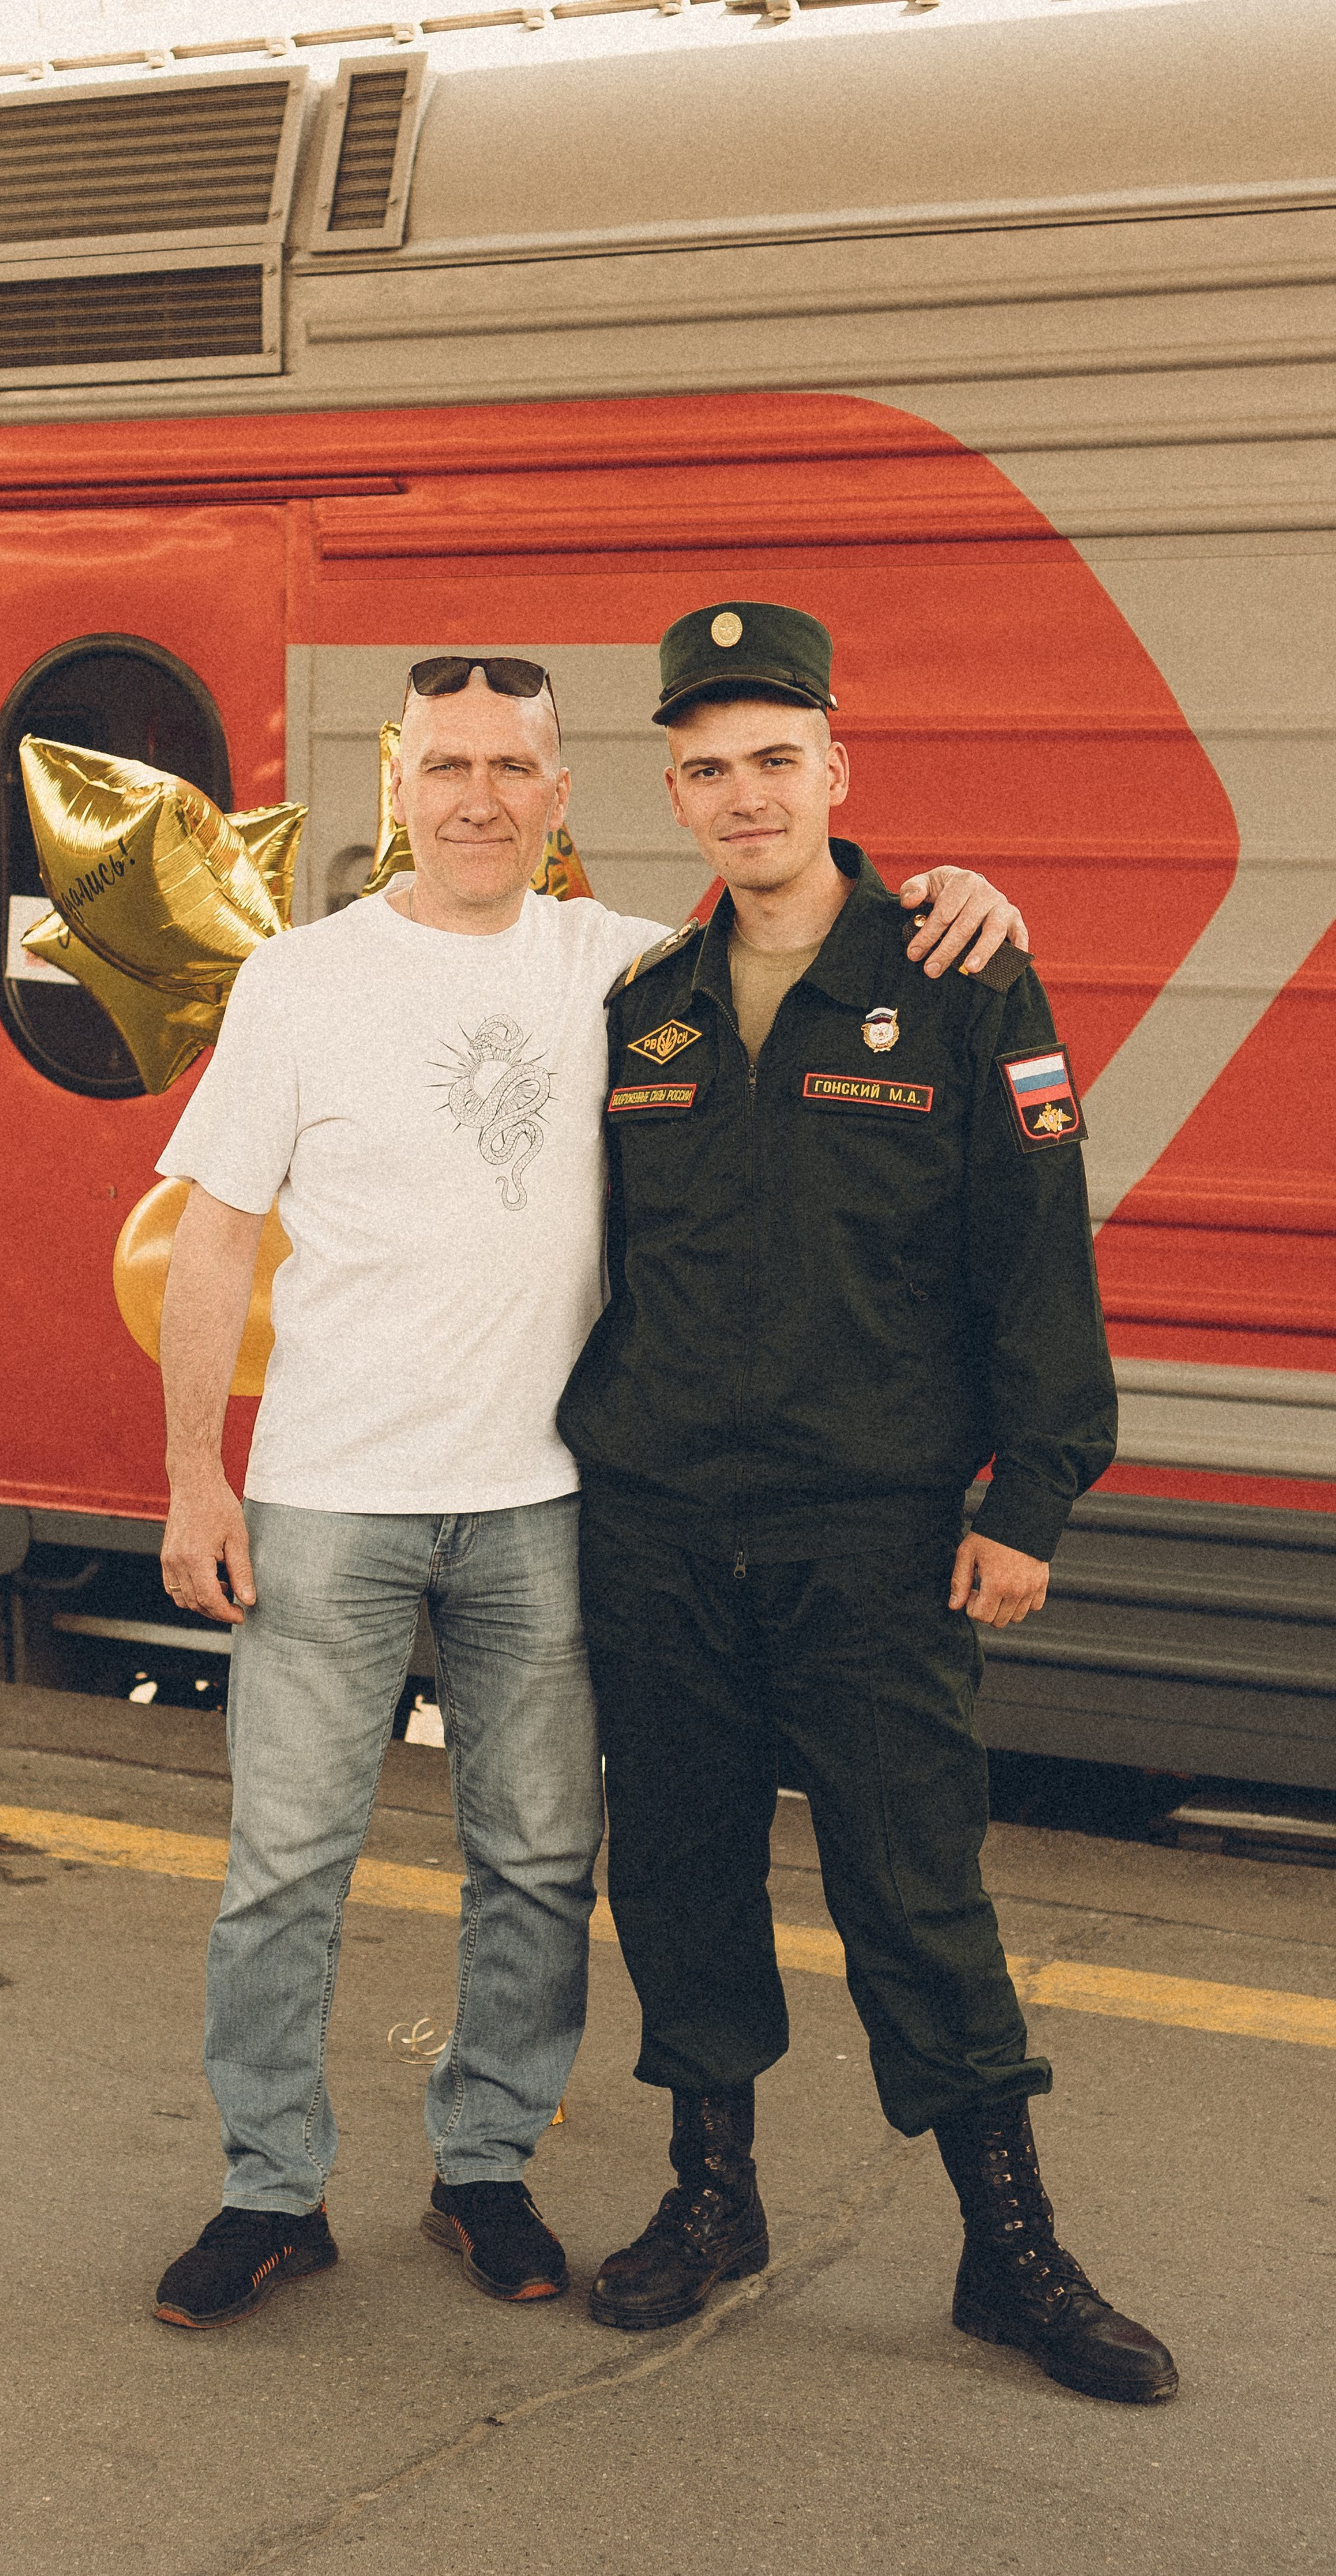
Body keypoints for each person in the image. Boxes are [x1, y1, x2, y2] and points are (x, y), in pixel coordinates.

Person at [148, 652, 1027, 2332]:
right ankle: (268, 2187)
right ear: (397, 786)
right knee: (283, 1868)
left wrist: (953, 898)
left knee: (542, 1863)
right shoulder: (300, 979)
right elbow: (214, 1237)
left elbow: (798, 928)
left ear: (560, 798)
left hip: (550, 1501)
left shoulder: (627, 967)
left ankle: (482, 2168)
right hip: (327, 1493)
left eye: (512, 768)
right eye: (446, 765)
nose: (477, 797)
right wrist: (198, 1475)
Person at [557, 603, 1177, 2404]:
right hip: (659, 1526)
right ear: (673, 797)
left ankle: (1009, 2251)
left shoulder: (964, 979)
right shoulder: (643, 1008)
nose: (741, 795)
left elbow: (1034, 1257)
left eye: (772, 759)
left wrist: (1029, 1498)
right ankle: (711, 2197)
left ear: (835, 769)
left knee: (913, 1888)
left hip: (872, 1533)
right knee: (678, 1869)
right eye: (705, 770)